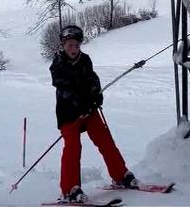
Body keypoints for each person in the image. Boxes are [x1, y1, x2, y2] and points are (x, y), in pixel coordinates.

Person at [50, 25, 137, 203]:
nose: (73, 49)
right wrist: (80, 102)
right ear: (63, 45)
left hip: (88, 110)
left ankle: (120, 175)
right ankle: (70, 189)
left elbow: (92, 79)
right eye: (70, 45)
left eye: (76, 45)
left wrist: (96, 95)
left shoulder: (85, 60)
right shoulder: (58, 64)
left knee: (105, 139)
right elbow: (64, 86)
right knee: (73, 147)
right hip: (68, 113)